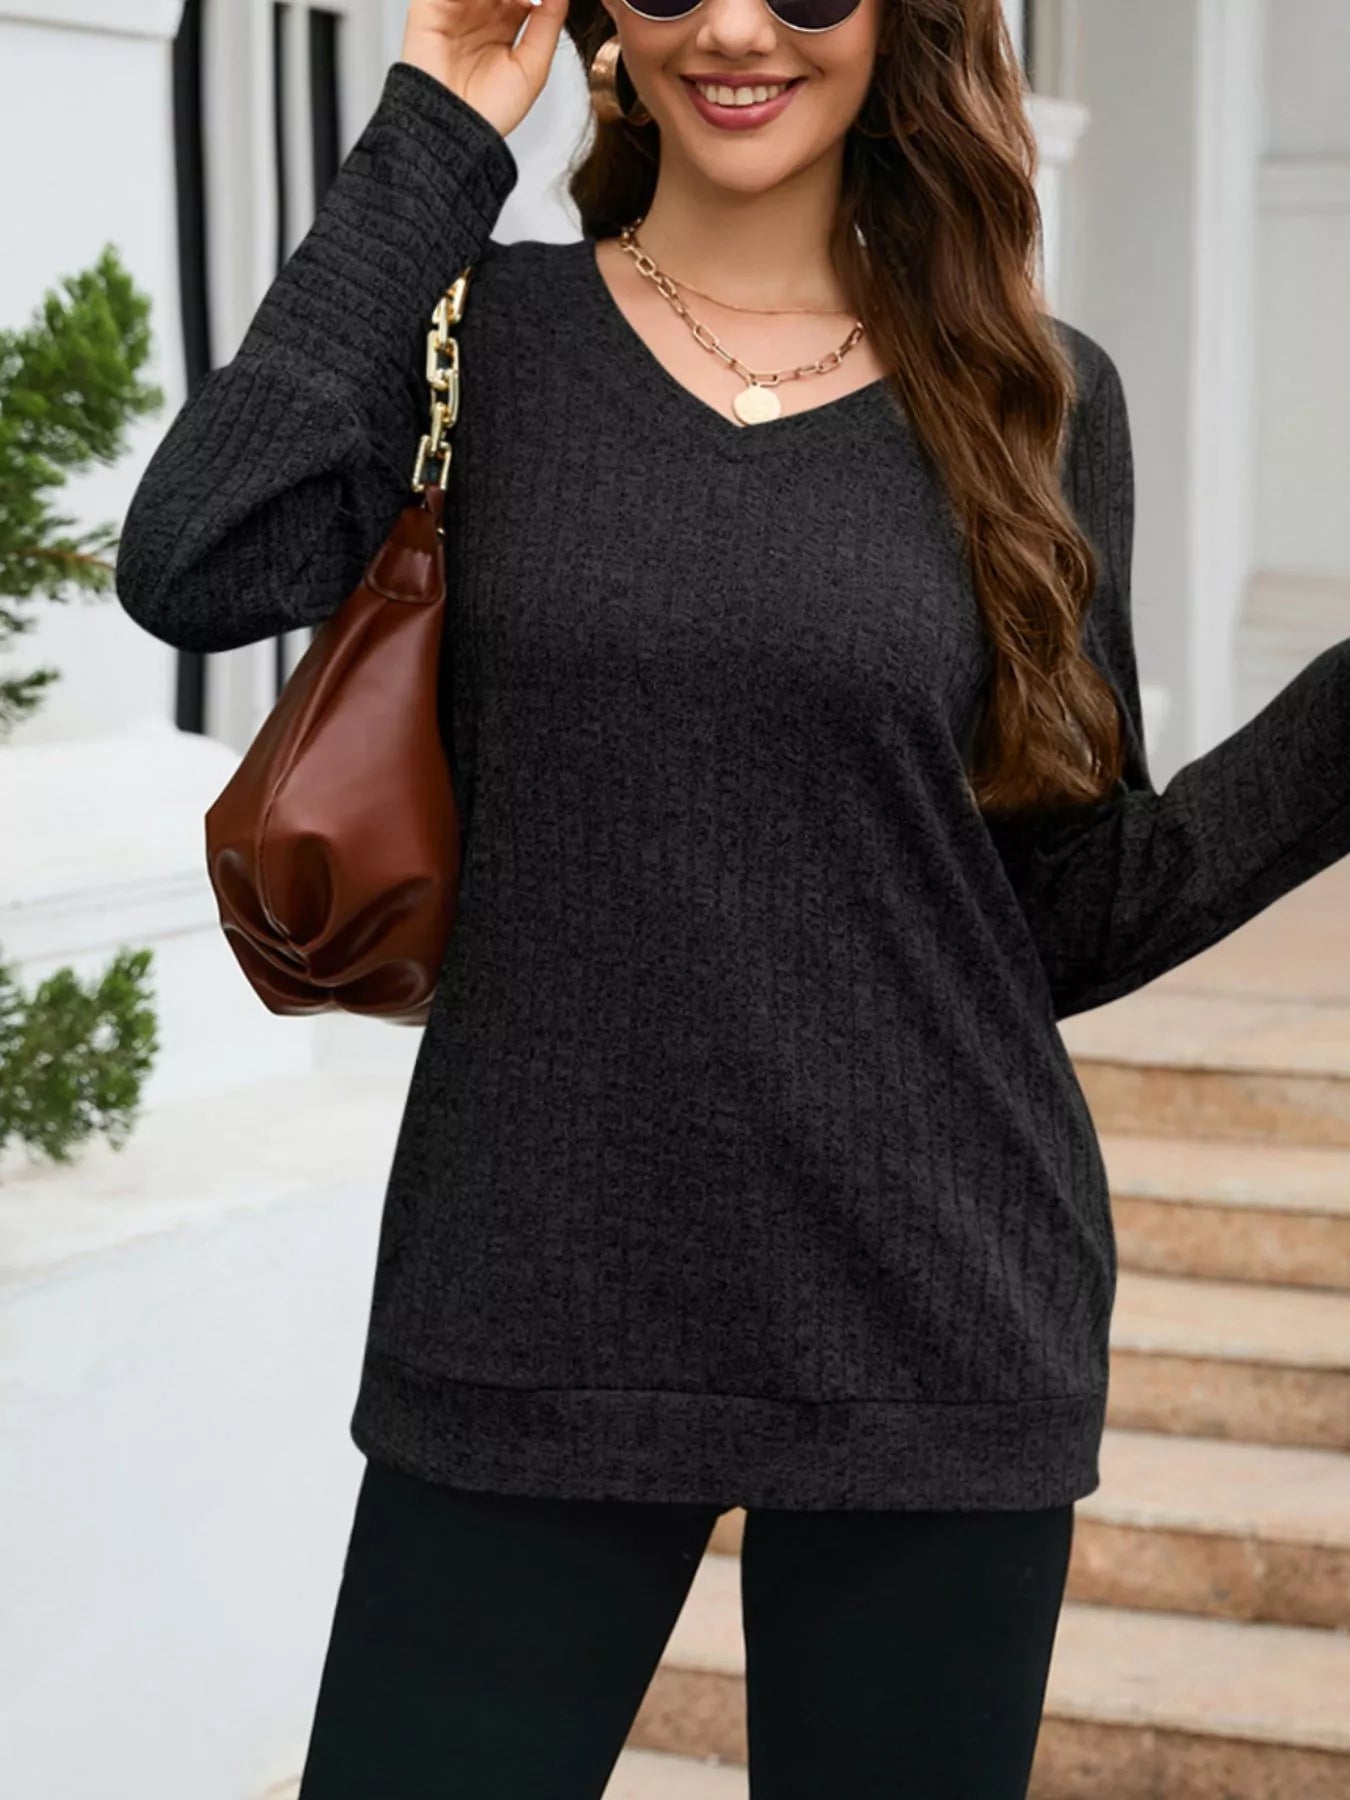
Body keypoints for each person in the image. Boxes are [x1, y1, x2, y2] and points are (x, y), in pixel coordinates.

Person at [113, 0, 1350, 1793]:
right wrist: (445, 119)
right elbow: (195, 554)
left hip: (934, 1307)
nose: (737, 27)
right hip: (530, 1291)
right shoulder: (488, 336)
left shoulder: (1039, 397)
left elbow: (1059, 912)